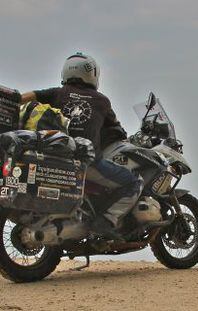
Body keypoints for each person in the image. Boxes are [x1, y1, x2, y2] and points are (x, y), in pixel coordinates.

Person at [21, 52, 142, 240]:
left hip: (55, 158)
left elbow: (26, 97)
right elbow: (116, 131)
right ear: (92, 73)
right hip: (85, 161)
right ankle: (106, 221)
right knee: (133, 182)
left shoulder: (57, 93)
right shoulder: (102, 101)